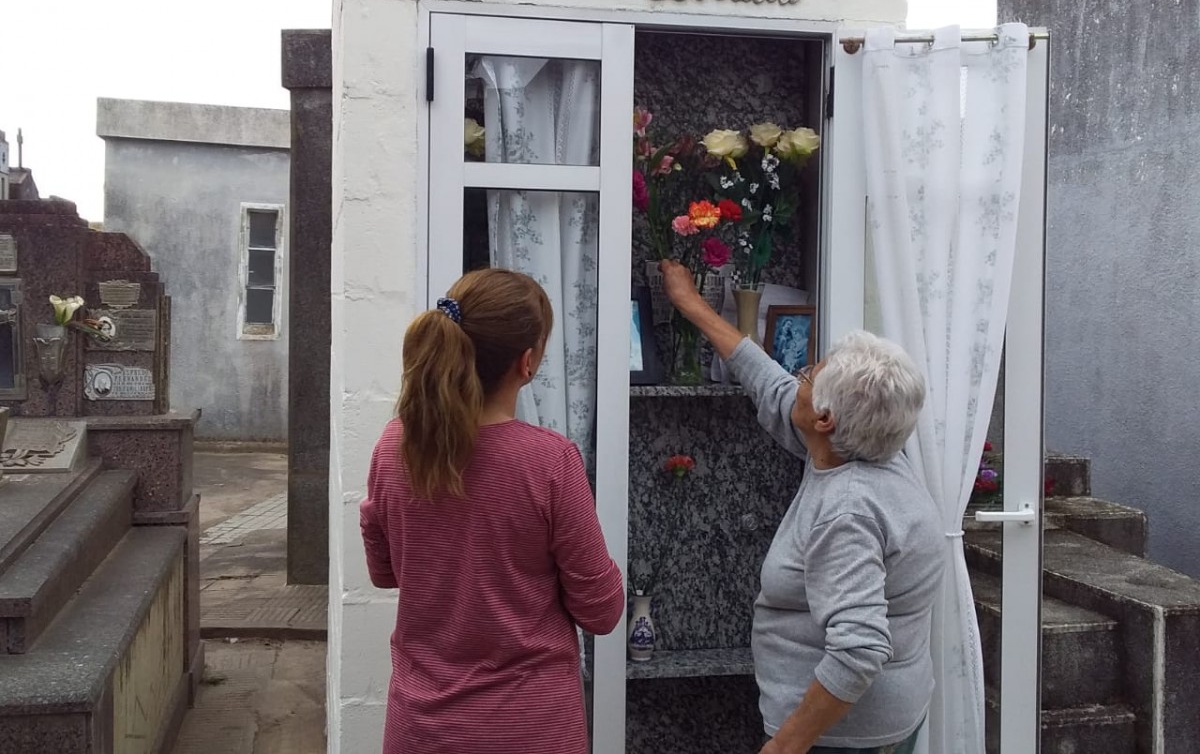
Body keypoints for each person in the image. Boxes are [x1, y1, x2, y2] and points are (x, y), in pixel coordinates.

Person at [661, 260, 943, 754]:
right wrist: (692, 306)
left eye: (809, 374)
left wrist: (786, 745)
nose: (799, 377)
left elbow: (859, 649)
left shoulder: (848, 510)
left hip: (839, 740)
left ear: (826, 418)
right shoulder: (869, 451)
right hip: (882, 721)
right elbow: (771, 385)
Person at [360, 268, 626, 754]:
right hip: (529, 730)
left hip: (421, 730)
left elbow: (385, 572)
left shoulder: (392, 446)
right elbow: (602, 611)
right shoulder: (549, 460)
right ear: (527, 363)